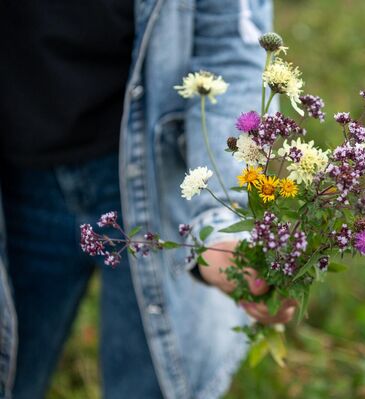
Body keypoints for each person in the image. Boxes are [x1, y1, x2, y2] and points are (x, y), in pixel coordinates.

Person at [0, 0, 294, 398]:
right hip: (16, 179)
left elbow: (232, 46)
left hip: (156, 177)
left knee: (152, 383)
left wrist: (224, 215)